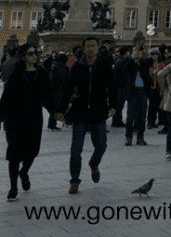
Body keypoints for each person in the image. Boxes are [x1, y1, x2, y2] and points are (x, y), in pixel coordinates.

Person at [55, 35, 117, 195]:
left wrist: (113, 106)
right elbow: (69, 89)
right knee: (76, 150)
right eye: (88, 46)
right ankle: (74, 181)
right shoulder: (77, 66)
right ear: (84, 48)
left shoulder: (104, 64)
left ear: (97, 47)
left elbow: (112, 86)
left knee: (101, 146)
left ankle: (93, 163)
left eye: (93, 45)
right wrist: (61, 109)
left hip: (99, 110)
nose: (90, 48)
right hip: (80, 111)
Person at [0, 43, 53, 201]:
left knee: (32, 152)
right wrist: (1, 116)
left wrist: (55, 112)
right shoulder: (17, 74)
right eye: (30, 54)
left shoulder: (42, 73)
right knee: (14, 154)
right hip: (15, 120)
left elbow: (48, 95)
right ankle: (13, 188)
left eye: (35, 53)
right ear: (23, 57)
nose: (34, 56)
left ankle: (23, 172)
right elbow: (6, 97)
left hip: (34, 119)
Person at [123, 44, 152, 146]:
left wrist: (145, 54)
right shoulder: (130, 62)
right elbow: (126, 69)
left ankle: (140, 137)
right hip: (132, 92)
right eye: (136, 51)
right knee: (130, 116)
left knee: (142, 116)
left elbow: (149, 65)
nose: (138, 52)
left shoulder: (145, 62)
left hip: (143, 91)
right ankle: (128, 137)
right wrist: (133, 57)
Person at [47, 52, 69, 131]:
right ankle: (52, 125)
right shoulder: (62, 68)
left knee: (55, 108)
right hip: (59, 91)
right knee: (57, 108)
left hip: (53, 90)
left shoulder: (54, 66)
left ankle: (51, 124)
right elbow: (64, 81)